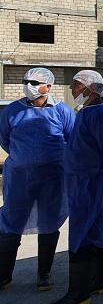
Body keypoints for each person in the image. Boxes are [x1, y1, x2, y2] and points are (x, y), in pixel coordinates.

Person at [44, 70, 103, 304]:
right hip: (83, 179)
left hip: (90, 181)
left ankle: (77, 293)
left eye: (76, 85)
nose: (72, 89)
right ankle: (101, 281)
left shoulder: (99, 114)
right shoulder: (87, 112)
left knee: (81, 230)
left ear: (91, 89)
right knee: (94, 227)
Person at [0, 68, 75, 292]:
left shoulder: (62, 111)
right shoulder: (12, 111)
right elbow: (5, 140)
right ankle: (3, 275)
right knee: (10, 223)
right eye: (26, 81)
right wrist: (25, 159)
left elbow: (72, 139)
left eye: (34, 82)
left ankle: (44, 274)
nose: (28, 86)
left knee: (49, 222)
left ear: (48, 86)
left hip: (53, 179)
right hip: (19, 179)